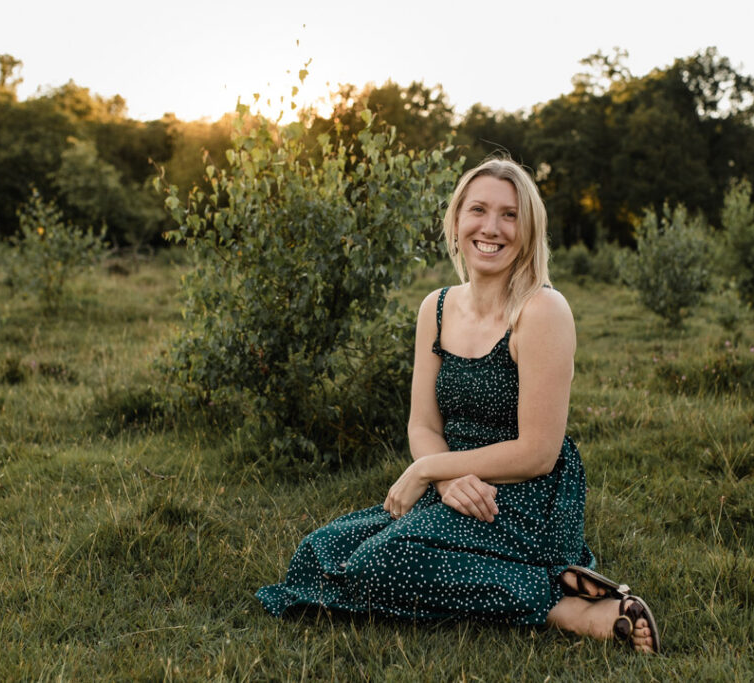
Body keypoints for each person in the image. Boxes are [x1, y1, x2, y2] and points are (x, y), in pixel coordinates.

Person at [255, 158, 660, 653]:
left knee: (381, 562)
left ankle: (571, 608)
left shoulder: (542, 310)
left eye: (510, 215)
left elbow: (538, 452)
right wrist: (443, 477)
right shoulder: (437, 307)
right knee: (319, 551)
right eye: (479, 210)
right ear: (456, 220)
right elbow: (423, 423)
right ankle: (559, 581)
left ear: (529, 229)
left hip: (524, 496)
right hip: (456, 484)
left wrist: (430, 469)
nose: (491, 228)